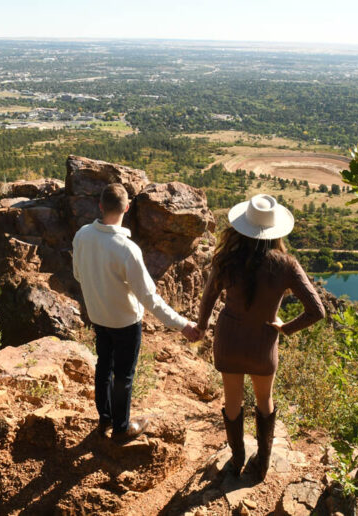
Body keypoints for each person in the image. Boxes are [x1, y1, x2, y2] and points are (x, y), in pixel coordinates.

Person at [195, 194, 325, 480]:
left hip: (229, 341)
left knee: (232, 401)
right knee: (264, 402)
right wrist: (285, 327)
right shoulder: (286, 265)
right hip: (263, 345)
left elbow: (207, 299)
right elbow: (317, 311)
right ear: (275, 229)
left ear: (242, 227)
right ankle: (262, 462)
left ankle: (237, 458)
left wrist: (201, 327)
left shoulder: (226, 259)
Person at [72, 183, 199, 445]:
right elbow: (149, 298)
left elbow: (77, 274)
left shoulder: (82, 235)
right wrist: (183, 325)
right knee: (124, 375)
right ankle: (121, 429)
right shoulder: (127, 249)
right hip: (125, 322)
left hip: (98, 316)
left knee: (103, 366)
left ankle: (106, 418)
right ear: (126, 208)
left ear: (100, 205)